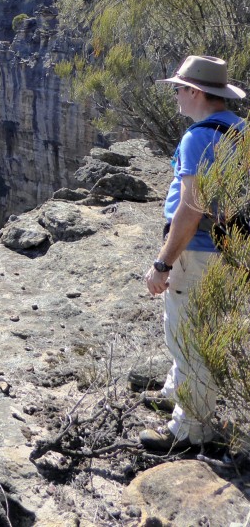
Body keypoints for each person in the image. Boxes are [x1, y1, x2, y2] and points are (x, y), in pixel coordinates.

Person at [139, 55, 246, 452]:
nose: (176, 96)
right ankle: (175, 390)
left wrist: (163, 263)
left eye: (178, 89)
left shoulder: (198, 137)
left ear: (197, 92)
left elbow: (190, 209)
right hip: (231, 250)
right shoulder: (241, 130)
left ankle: (190, 430)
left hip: (198, 252)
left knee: (189, 339)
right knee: (197, 329)